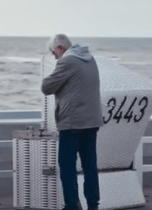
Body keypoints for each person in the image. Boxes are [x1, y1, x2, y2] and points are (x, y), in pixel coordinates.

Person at [41, 34, 103, 210]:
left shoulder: (67, 61)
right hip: (92, 121)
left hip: (73, 122)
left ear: (60, 48)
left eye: (54, 52)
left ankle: (71, 206)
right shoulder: (90, 59)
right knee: (90, 165)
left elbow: (46, 87)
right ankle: (93, 205)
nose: (54, 56)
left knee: (67, 166)